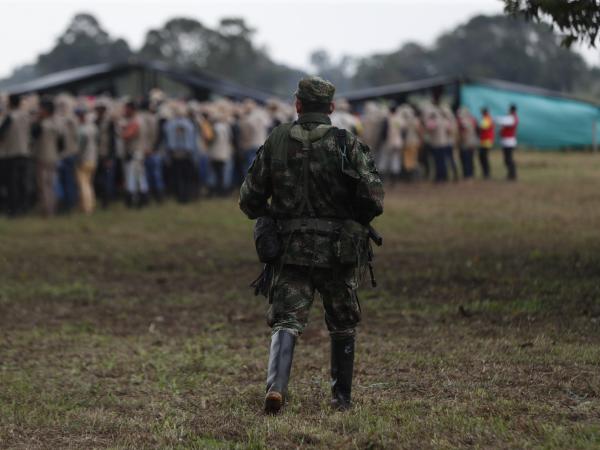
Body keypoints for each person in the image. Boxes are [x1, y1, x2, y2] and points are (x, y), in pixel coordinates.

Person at [239, 76, 384, 414]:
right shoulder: (346, 142)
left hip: (290, 248)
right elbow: (373, 198)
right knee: (343, 321)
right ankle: (341, 398)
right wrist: (352, 218)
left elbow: (249, 199)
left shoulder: (276, 141)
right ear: (331, 108)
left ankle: (276, 388)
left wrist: (272, 215)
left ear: (298, 105)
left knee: (286, 320)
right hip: (339, 250)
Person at [0, 94, 31, 216]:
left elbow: (1, 134)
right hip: (25, 153)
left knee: (12, 184)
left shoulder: (10, 117)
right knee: (23, 182)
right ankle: (24, 208)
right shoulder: (26, 116)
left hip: (11, 154)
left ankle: (14, 210)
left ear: (10, 103)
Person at [31, 98, 61, 217]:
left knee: (43, 186)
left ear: (45, 110)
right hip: (53, 157)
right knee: (51, 184)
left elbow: (33, 134)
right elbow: (61, 143)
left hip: (42, 157)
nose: (39, 110)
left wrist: (37, 119)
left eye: (40, 108)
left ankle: (47, 211)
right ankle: (52, 209)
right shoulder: (57, 123)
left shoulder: (42, 124)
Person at [163, 102, 197, 203]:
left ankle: (179, 196)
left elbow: (167, 141)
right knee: (186, 176)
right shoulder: (189, 125)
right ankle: (186, 196)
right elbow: (193, 141)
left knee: (177, 176)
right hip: (187, 153)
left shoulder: (169, 125)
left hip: (175, 153)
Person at [120, 101, 149, 207]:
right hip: (138, 151)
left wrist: (121, 129)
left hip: (135, 152)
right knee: (140, 177)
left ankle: (133, 201)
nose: (124, 111)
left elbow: (127, 135)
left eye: (126, 109)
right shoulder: (139, 120)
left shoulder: (136, 121)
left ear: (131, 109)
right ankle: (142, 200)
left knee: (132, 178)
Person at [94, 99, 118, 208]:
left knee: (107, 178)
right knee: (101, 179)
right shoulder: (96, 121)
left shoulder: (109, 122)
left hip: (107, 154)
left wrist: (110, 156)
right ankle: (104, 198)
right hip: (98, 154)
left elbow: (113, 140)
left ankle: (107, 201)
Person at [74, 107, 98, 214]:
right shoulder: (93, 127)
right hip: (93, 158)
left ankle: (87, 208)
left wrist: (77, 159)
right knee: (89, 184)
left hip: (84, 160)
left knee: (83, 185)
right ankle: (90, 204)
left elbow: (80, 148)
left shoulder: (81, 130)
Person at [497, 104, 519, 180]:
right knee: (507, 159)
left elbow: (501, 121)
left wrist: (498, 120)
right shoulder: (512, 117)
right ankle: (510, 174)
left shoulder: (512, 118)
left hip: (508, 141)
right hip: (507, 141)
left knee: (508, 159)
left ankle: (512, 174)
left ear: (511, 110)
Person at [457, 107, 478, 180]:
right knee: (470, 158)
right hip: (472, 141)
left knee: (465, 159)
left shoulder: (463, 121)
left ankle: (467, 174)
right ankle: (471, 173)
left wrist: (461, 140)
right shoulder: (472, 119)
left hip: (466, 142)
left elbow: (463, 132)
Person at [478, 107, 495, 179]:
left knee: (483, 157)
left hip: (486, 141)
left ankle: (486, 173)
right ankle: (486, 173)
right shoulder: (487, 118)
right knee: (483, 157)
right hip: (485, 140)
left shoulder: (487, 119)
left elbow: (482, 127)